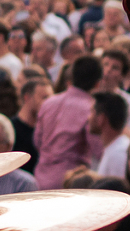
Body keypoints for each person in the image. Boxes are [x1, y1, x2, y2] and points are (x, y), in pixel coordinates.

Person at [34, 53, 100, 189]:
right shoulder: (90, 109)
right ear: (97, 83)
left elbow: (37, 141)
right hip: (70, 183)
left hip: (40, 178)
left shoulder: (48, 102)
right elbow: (98, 149)